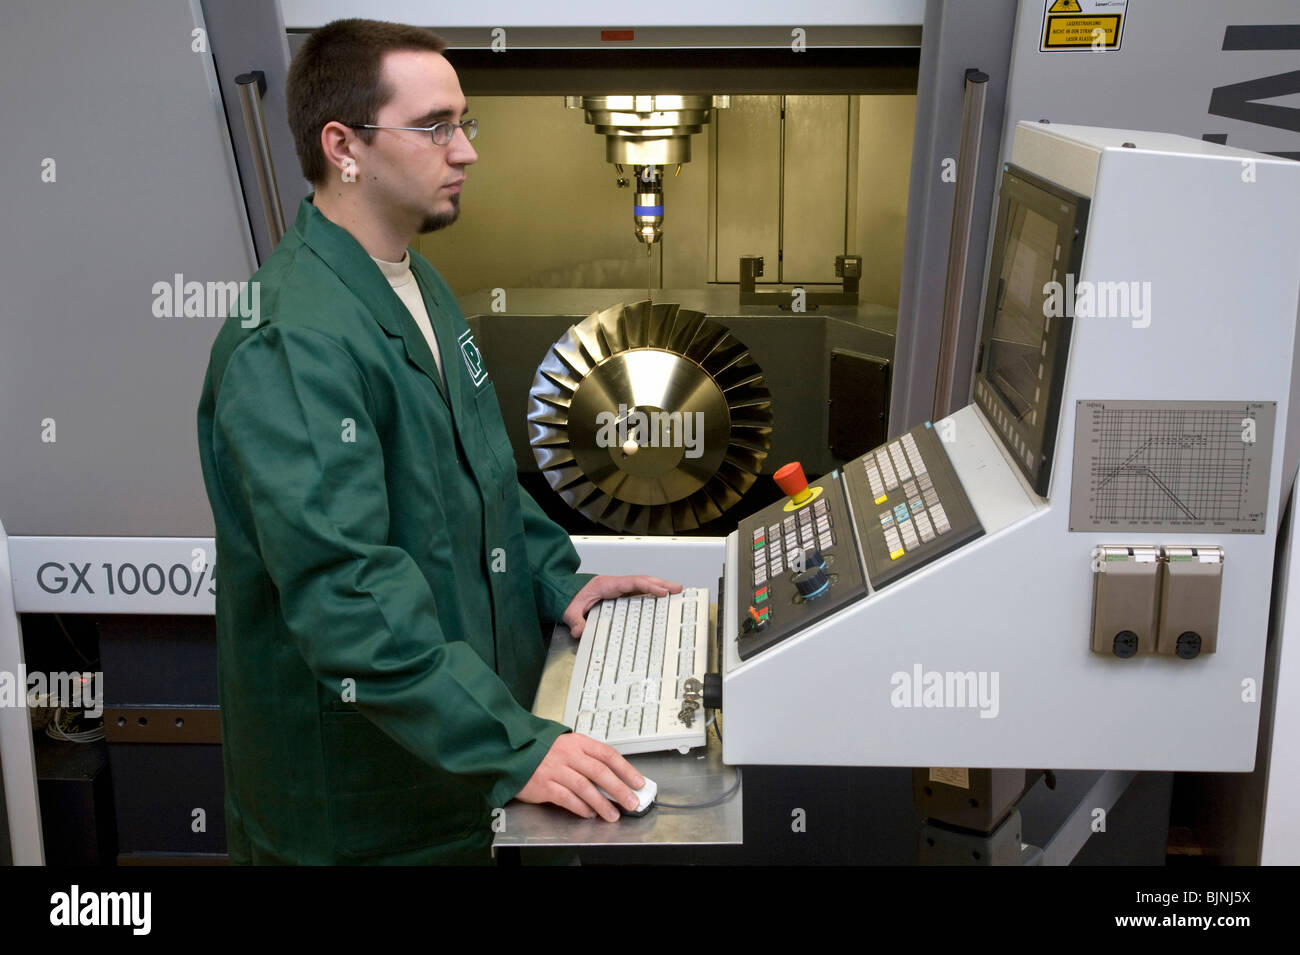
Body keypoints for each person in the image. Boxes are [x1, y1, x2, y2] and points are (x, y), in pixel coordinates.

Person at [196, 18, 679, 864]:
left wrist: (555, 579)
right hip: (364, 814)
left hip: (448, 775)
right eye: (435, 127)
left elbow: (481, 481)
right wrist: (513, 743)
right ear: (342, 145)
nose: (466, 151)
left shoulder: (418, 283)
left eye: (466, 123)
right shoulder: (294, 340)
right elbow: (346, 594)